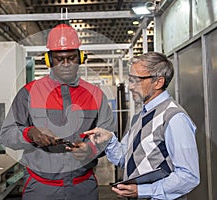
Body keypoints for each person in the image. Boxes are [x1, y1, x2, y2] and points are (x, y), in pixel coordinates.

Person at [0, 23, 115, 200]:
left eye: (72, 58)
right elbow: (6, 135)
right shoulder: (28, 93)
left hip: (82, 188)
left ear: (81, 57)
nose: (66, 64)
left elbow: (108, 137)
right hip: (40, 188)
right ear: (49, 59)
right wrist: (31, 133)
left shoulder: (96, 95)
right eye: (59, 59)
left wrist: (91, 149)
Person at [82, 52, 200, 199]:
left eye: (136, 80)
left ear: (158, 82)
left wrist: (143, 190)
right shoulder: (141, 115)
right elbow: (125, 159)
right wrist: (110, 140)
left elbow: (188, 176)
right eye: (130, 79)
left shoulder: (174, 118)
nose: (130, 86)